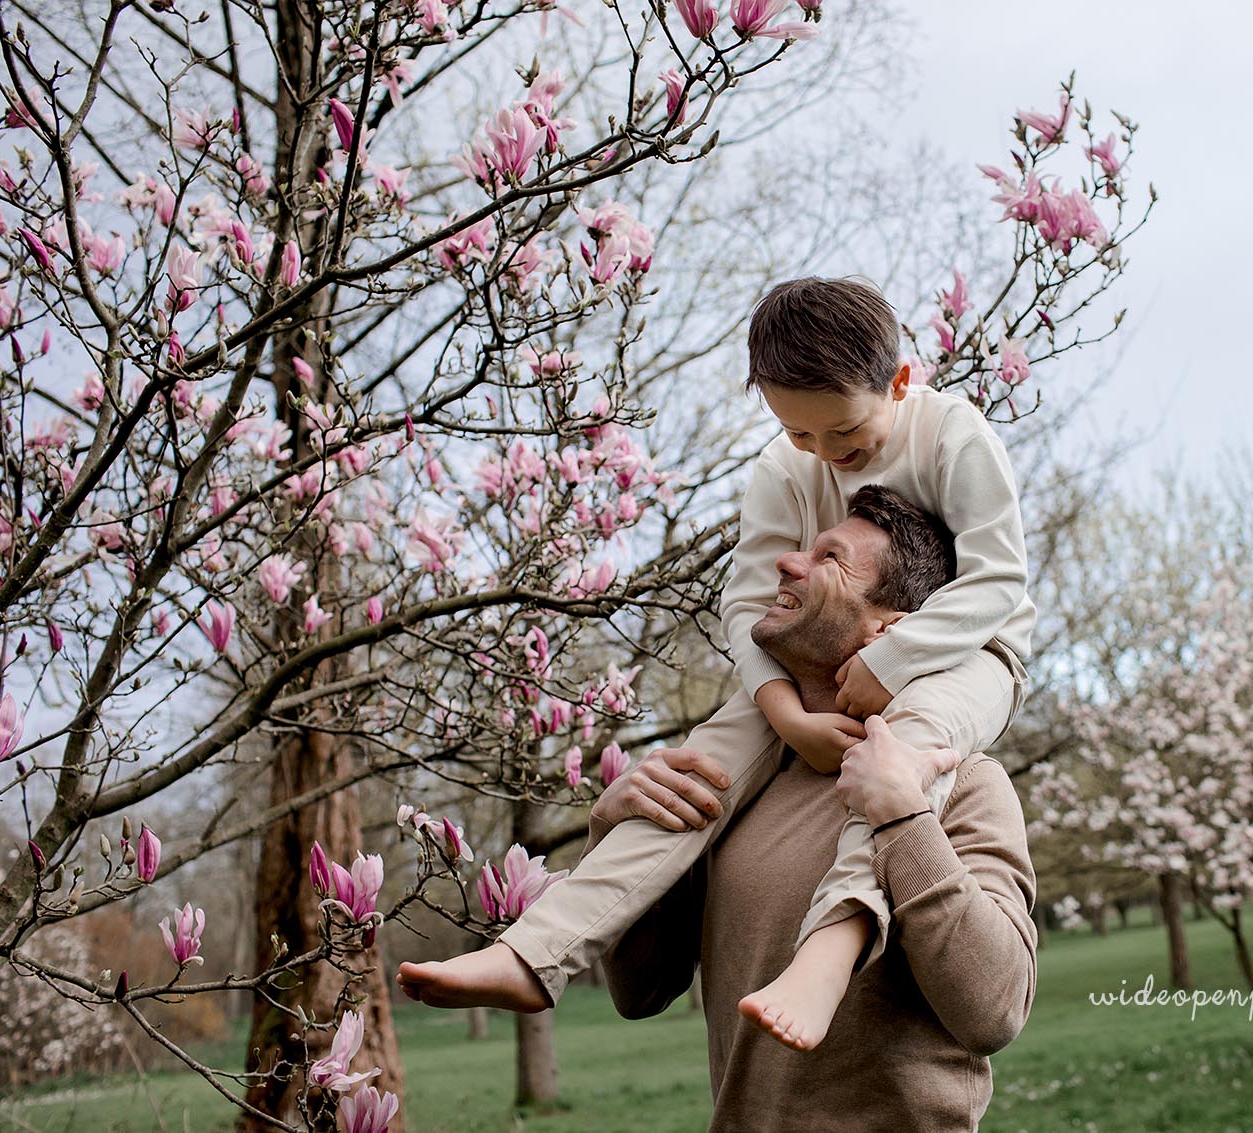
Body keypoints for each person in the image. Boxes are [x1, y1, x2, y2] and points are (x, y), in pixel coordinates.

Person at [400, 276, 1035, 1051]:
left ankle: (828, 951)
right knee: (699, 770)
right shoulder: (785, 467)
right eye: (800, 434)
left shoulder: (952, 435)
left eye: (844, 432)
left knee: (901, 756)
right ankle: (537, 950)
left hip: (974, 649)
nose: (827, 454)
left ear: (900, 381)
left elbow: (999, 578)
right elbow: (747, 604)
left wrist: (897, 658)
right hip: (817, 676)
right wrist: (785, 715)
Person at [406, 488, 1039, 1131]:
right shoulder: (735, 782)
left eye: (830, 558)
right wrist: (610, 829)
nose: (787, 563)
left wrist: (903, 818)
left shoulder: (965, 784)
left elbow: (995, 1011)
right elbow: (642, 990)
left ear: (893, 630)